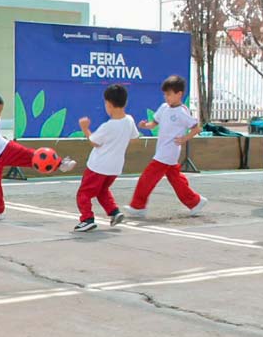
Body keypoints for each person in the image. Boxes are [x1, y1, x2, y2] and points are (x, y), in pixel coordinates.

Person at [0, 91, 76, 220]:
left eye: (0, 112)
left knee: (31, 155)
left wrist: (3, 139)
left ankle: (60, 164)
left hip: (3, 148)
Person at [125, 75, 207, 218]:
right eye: (165, 94)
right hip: (163, 150)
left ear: (179, 94)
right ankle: (195, 201)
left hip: (168, 152)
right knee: (176, 179)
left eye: (169, 94)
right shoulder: (164, 108)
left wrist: (184, 138)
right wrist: (145, 125)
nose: (166, 97)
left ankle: (138, 206)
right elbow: (154, 123)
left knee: (147, 178)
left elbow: (196, 128)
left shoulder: (182, 111)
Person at [74, 84, 139, 232]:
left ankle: (87, 218)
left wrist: (85, 128)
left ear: (108, 104)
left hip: (98, 166)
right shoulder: (129, 120)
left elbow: (94, 142)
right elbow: (135, 138)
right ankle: (114, 212)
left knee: (84, 193)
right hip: (115, 167)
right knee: (102, 190)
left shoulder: (108, 126)